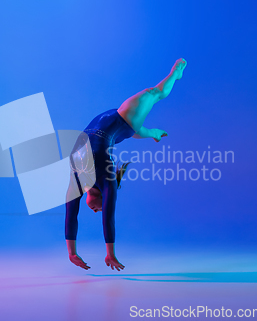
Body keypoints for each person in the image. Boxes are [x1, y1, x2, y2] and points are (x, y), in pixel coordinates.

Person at [65, 58, 187, 271]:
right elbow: (109, 218)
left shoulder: (77, 180)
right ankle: (174, 77)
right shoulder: (108, 180)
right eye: (101, 208)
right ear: (104, 194)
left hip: (116, 125)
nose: (97, 211)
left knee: (147, 115)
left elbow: (71, 214)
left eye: (98, 209)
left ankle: (156, 128)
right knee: (153, 96)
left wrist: (72, 253)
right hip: (124, 119)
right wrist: (110, 254)